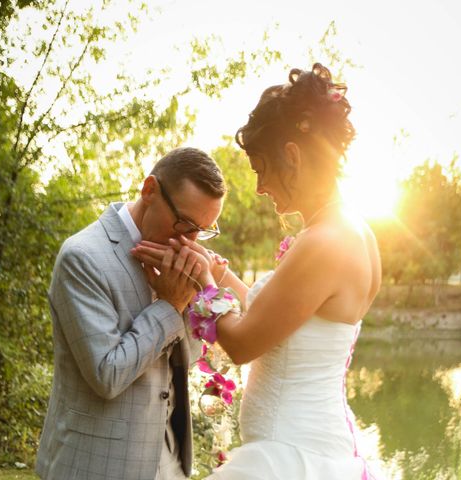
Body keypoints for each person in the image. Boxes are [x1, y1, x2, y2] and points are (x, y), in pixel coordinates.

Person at [132, 63, 382, 479]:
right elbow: (276, 316)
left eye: (261, 169)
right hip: (306, 444)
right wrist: (216, 270)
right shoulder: (346, 230)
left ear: (292, 155)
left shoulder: (327, 242)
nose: (260, 187)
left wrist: (203, 284)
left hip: (291, 458)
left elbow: (245, 343)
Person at [35, 147, 226, 480]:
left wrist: (195, 295)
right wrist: (170, 305)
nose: (191, 241)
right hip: (95, 465)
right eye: (183, 223)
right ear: (149, 190)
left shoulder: (177, 261)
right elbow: (106, 375)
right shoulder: (83, 257)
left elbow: (186, 359)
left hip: (167, 463)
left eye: (202, 230)